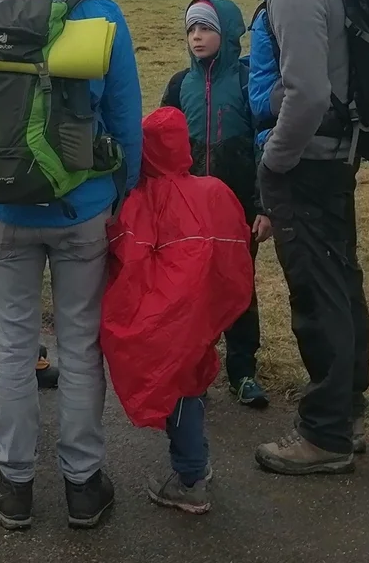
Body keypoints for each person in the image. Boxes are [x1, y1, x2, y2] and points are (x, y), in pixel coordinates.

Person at [0, 0, 143, 532]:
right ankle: (82, 485)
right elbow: (126, 119)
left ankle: (12, 485)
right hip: (82, 209)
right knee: (79, 343)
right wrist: (120, 193)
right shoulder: (101, 14)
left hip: (3, 208)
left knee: (11, 345)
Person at [226, 0, 369, 475]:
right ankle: (346, 413)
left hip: (305, 162)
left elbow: (306, 94)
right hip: (330, 155)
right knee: (341, 285)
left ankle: (325, 436)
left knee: (316, 295)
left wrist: (274, 162)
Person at [103, 106, 256, 515]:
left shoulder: (142, 201)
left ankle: (189, 480)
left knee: (178, 386)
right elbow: (237, 247)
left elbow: (127, 257)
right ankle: (198, 463)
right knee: (194, 377)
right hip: (207, 310)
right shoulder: (214, 191)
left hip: (168, 315)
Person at [160, 0, 269, 409]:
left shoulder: (247, 81)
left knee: (238, 286)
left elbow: (265, 145)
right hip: (190, 209)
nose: (197, 37)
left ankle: (243, 372)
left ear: (227, 34)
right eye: (191, 30)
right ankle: (196, 371)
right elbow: (162, 148)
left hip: (238, 207)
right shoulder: (178, 85)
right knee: (193, 288)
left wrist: (264, 205)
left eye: (205, 28)